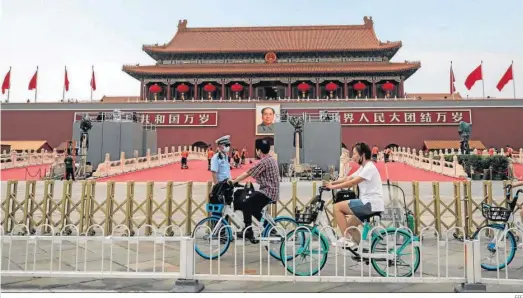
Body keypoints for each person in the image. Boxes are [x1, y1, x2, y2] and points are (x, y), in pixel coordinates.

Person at [325, 142, 385, 250]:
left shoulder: (369, 168)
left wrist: (332, 188)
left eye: (354, 154)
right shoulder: (363, 167)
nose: (353, 157)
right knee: (350, 227)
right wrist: (331, 183)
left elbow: (352, 183)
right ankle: (362, 250)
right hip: (368, 203)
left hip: (369, 204)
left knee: (337, 207)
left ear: (362, 155)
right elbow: (348, 178)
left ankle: (346, 239)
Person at [229, 138, 279, 243]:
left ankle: (248, 231)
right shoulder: (271, 159)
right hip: (271, 191)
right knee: (254, 209)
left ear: (258, 150)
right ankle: (270, 228)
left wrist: (234, 181)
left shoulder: (263, 162)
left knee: (246, 203)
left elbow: (248, 173)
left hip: (268, 191)